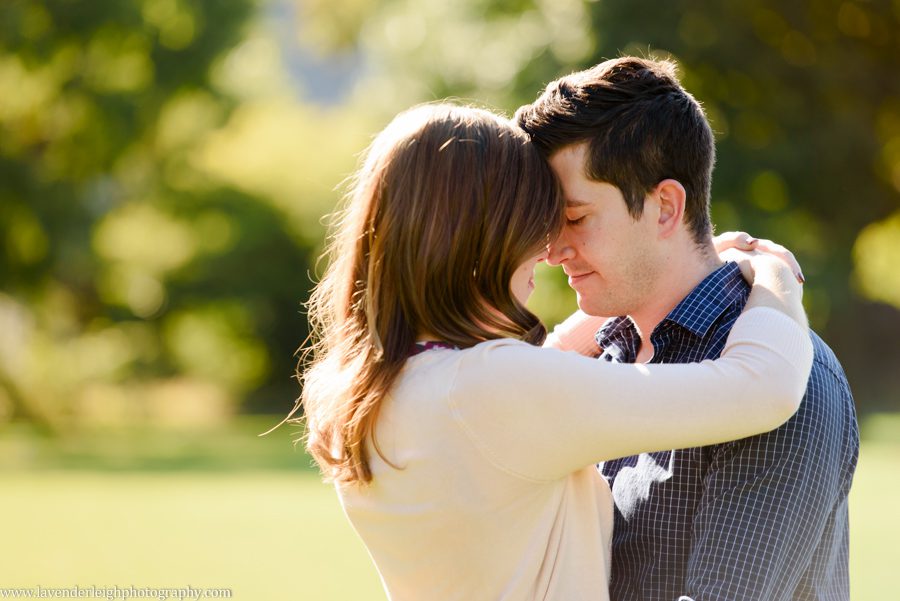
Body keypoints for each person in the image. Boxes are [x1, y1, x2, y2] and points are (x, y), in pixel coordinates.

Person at [298, 102, 813, 601]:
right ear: (483, 238)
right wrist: (773, 276)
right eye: (535, 223)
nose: (547, 250)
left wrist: (672, 269)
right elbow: (762, 385)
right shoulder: (494, 391)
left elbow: (545, 369)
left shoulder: (370, 391)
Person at [516, 56, 859, 601]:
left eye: (576, 218)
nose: (553, 250)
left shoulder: (787, 380)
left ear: (666, 207)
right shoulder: (611, 360)